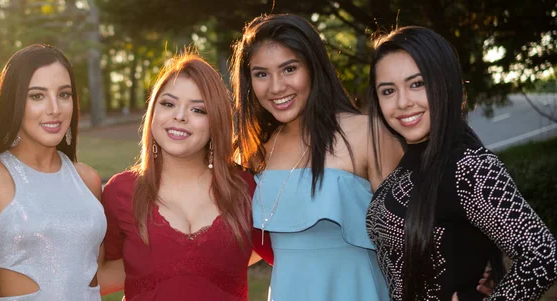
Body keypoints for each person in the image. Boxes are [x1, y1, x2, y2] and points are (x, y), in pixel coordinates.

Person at [365, 26, 557, 300]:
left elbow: (543, 254)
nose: (403, 102)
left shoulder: (467, 165)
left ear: (445, 83)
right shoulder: (416, 158)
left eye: (417, 84)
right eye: (388, 91)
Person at [231, 13, 404, 301]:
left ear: (313, 67)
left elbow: (416, 234)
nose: (276, 87)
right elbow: (238, 250)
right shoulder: (254, 151)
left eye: (289, 69)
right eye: (261, 74)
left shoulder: (367, 134)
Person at [98, 53, 272, 301]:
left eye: (198, 109)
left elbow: (286, 252)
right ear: (153, 113)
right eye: (168, 104)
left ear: (216, 122)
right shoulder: (121, 192)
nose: (180, 116)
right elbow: (98, 278)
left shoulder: (246, 187)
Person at [0, 44, 106, 300]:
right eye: (37, 96)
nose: (55, 109)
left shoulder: (87, 180)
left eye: (64, 94)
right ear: (14, 102)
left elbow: (95, 273)